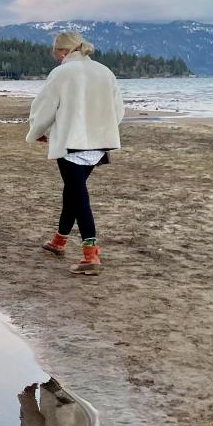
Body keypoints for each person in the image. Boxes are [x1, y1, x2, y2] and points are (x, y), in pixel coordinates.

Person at [26, 31, 124, 275]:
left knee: (79, 197)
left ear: (63, 51)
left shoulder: (61, 73)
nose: (57, 58)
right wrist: (103, 130)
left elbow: (45, 107)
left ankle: (90, 254)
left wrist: (36, 131)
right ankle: (59, 241)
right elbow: (117, 111)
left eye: (56, 54)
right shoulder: (105, 72)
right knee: (74, 191)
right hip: (98, 143)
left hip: (71, 144)